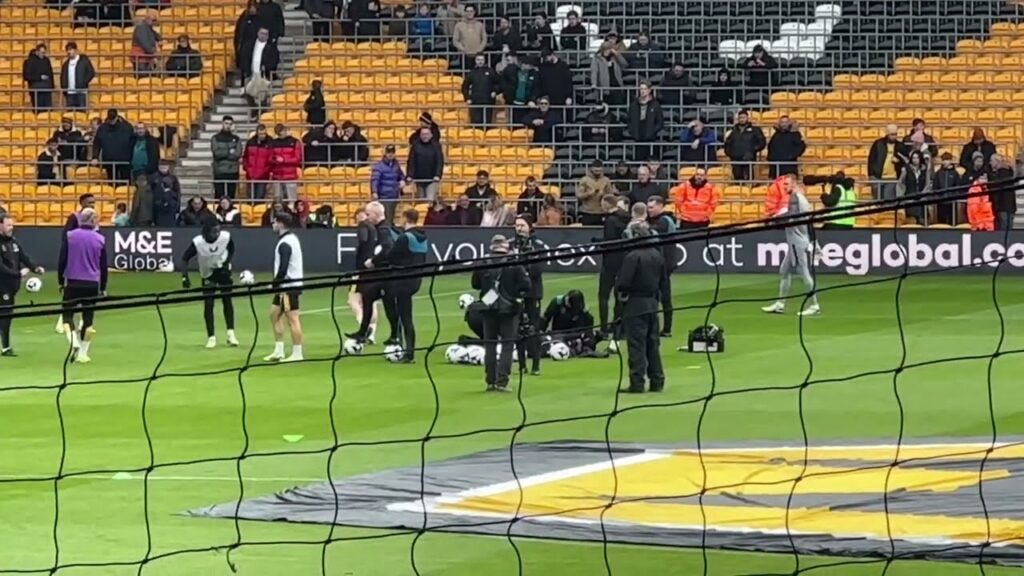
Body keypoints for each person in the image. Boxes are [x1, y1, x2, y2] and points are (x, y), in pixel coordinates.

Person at [470, 234, 530, 391]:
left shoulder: (483, 262)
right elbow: (526, 285)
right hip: (509, 309)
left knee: (489, 345)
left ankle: (490, 381)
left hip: (488, 309)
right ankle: (502, 381)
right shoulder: (514, 262)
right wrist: (515, 295)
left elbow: (475, 284)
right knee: (507, 345)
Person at [615, 221, 665, 393]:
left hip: (636, 303)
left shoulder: (632, 256)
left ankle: (637, 382)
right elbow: (663, 282)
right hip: (652, 302)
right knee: (653, 343)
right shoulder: (657, 255)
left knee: (636, 344)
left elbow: (624, 283)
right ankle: (657, 380)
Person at [762, 181, 820, 316]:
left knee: (804, 273)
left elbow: (791, 215)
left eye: (786, 185)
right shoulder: (804, 201)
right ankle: (780, 304)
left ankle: (814, 304)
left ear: (794, 185)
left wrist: (775, 218)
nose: (784, 187)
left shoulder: (795, 197)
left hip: (797, 242)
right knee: (784, 271)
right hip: (798, 241)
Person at [57, 208, 108, 363]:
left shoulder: (70, 236)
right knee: (88, 318)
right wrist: (103, 287)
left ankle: (73, 342)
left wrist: (60, 281)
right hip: (92, 283)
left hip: (73, 281)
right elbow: (103, 266)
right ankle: (83, 354)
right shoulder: (100, 239)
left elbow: (62, 259)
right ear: (93, 221)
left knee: (67, 315)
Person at [379, 208, 429, 363]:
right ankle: (404, 346)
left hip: (402, 280)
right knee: (404, 314)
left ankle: (408, 352)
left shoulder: (405, 238)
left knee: (404, 316)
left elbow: (391, 256)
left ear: (406, 218)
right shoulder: (423, 237)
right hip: (415, 280)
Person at [181, 220, 238, 348]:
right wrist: (185, 276)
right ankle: (211, 337)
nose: (217, 234)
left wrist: (226, 263)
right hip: (207, 273)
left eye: (218, 231)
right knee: (208, 304)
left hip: (222, 272)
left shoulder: (225, 237)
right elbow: (185, 258)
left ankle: (231, 334)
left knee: (227, 300)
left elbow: (232, 249)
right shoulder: (198, 242)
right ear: (207, 232)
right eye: (214, 231)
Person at [346, 202, 396, 343]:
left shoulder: (383, 230)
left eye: (368, 214)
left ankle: (394, 335)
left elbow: (387, 248)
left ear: (375, 214)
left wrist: (373, 261)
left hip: (383, 273)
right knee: (369, 298)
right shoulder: (382, 228)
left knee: (388, 305)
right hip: (383, 273)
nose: (367, 218)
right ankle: (365, 332)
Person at [0, 214, 45, 357]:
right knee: (5, 316)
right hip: (2, 286)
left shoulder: (13, 242)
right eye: (8, 225)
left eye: (12, 225)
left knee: (7, 315)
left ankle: (5, 346)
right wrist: (18, 274)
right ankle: (6, 348)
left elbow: (24, 257)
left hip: (12, 286)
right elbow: (1, 268)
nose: (11, 227)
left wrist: (35, 268)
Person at [263, 212, 305, 362]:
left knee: (292, 319)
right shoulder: (292, 239)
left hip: (288, 286)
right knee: (274, 314)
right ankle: (279, 350)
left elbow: (283, 267)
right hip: (285, 286)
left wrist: (274, 284)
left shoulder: (285, 243)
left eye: (274, 222)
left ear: (280, 223)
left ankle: (297, 353)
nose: (273, 225)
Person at [511, 215, 544, 375]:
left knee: (533, 329)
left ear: (530, 226)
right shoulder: (511, 245)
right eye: (517, 225)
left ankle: (536, 365)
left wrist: (523, 269)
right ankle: (522, 365)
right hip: (516, 293)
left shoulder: (538, 245)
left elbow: (537, 270)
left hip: (533, 293)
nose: (519, 228)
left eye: (522, 225)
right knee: (518, 330)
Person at [597, 194, 629, 339]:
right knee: (620, 295)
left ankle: (604, 328)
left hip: (610, 261)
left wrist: (600, 243)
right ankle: (619, 327)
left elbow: (609, 241)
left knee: (603, 295)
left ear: (606, 204)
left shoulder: (610, 220)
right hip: (624, 259)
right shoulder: (626, 217)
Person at [646, 196, 676, 337]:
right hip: (665, 262)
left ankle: (662, 327)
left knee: (661, 296)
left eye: (651, 207)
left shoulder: (664, 221)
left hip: (664, 263)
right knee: (664, 296)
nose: (649, 210)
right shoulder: (664, 219)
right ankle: (666, 328)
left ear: (660, 206)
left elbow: (655, 232)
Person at [540, 290, 602, 358]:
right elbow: (545, 318)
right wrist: (540, 331)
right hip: (558, 333)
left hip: (575, 334)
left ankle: (585, 347)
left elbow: (588, 326)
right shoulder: (557, 302)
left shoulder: (584, 312)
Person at [348, 207, 379, 342]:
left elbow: (363, 240)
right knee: (371, 301)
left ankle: (364, 327)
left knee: (352, 300)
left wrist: (358, 250)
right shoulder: (373, 227)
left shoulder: (363, 226)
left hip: (362, 269)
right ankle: (372, 335)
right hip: (373, 267)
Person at [239, 27, 280, 117]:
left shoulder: (271, 47)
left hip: (263, 74)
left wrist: (268, 69)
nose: (263, 35)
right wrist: (246, 70)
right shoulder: (250, 44)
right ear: (258, 33)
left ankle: (263, 113)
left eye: (265, 34)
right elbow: (244, 57)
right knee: (248, 92)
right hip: (251, 73)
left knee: (263, 94)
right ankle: (254, 109)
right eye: (262, 33)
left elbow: (275, 59)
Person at [867, 124, 907, 201]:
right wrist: (871, 175)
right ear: (887, 133)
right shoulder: (878, 144)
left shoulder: (900, 146)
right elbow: (871, 159)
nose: (894, 137)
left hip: (892, 178)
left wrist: (898, 162)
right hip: (877, 177)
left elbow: (906, 161)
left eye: (895, 134)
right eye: (892, 134)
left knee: (888, 203)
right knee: (877, 202)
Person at [92, 109, 134, 183]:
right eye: (110, 119)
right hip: (109, 161)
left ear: (117, 117)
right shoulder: (102, 128)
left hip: (124, 161)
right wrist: (95, 156)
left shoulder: (127, 127)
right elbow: (97, 143)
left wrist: (132, 157)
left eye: (113, 119)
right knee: (112, 183)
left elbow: (133, 142)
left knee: (126, 183)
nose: (112, 122)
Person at [724, 110, 766, 182]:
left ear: (747, 118)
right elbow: (727, 143)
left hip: (748, 158)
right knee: (737, 178)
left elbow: (762, 142)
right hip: (735, 159)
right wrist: (729, 153)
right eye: (740, 118)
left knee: (748, 179)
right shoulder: (734, 131)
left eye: (744, 117)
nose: (742, 119)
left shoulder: (755, 130)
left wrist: (752, 150)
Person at [626, 81, 663, 162]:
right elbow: (629, 120)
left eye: (645, 89)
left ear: (649, 90)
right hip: (637, 136)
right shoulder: (633, 105)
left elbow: (660, 122)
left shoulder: (655, 105)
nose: (642, 91)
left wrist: (653, 131)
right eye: (641, 89)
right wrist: (632, 131)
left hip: (650, 138)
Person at [406, 127, 444, 199]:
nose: (425, 136)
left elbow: (439, 161)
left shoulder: (436, 146)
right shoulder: (415, 145)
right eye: (423, 134)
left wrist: (437, 175)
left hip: (432, 179)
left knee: (430, 200)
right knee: (421, 201)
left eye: (426, 134)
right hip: (419, 179)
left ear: (431, 135)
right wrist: (410, 175)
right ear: (420, 135)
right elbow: (411, 161)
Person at [462, 53, 498, 127]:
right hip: (475, 102)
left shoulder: (491, 71)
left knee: (487, 123)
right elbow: (464, 87)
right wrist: (467, 98)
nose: (480, 61)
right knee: (476, 123)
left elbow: (498, 83)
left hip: (488, 101)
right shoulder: (472, 73)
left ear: (485, 60)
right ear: (475, 61)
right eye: (478, 60)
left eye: (482, 60)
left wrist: (495, 91)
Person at [370, 144, 404, 222]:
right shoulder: (379, 166)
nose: (391, 154)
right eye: (389, 152)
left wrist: (402, 180)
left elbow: (401, 175)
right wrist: (374, 191)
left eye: (392, 152)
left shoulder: (396, 165)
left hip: (394, 196)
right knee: (386, 218)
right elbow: (375, 179)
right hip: (384, 196)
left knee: (391, 217)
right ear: (385, 153)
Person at [211, 116, 242, 199]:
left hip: (232, 172)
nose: (228, 126)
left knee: (231, 197)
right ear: (222, 123)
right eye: (226, 123)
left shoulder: (236, 138)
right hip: (219, 172)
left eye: (230, 124)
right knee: (219, 196)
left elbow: (237, 154)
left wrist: (223, 153)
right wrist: (229, 151)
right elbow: (216, 154)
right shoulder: (215, 138)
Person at [897, 150, 932, 225]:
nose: (915, 160)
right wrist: (902, 197)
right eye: (913, 158)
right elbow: (900, 183)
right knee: (911, 220)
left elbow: (927, 184)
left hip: (921, 199)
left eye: (917, 158)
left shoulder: (924, 170)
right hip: (909, 199)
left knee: (922, 219)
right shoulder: (906, 169)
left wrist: (923, 194)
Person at [766, 115, 806, 179]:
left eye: (786, 122)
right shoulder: (776, 135)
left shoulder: (795, 134)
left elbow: (801, 146)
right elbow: (770, 147)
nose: (784, 124)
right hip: (776, 167)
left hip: (789, 166)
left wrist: (791, 156)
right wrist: (770, 159)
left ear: (789, 123)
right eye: (782, 122)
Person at [269, 124, 302, 201]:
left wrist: (284, 160)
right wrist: (274, 160)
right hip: (277, 176)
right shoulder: (273, 143)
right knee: (278, 201)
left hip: (290, 177)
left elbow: (297, 159)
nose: (282, 133)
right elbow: (270, 158)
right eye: (280, 133)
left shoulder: (295, 142)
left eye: (283, 131)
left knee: (292, 201)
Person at [577, 160, 615, 226]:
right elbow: (579, 195)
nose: (597, 173)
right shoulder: (584, 180)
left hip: (602, 212)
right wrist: (588, 194)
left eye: (599, 171)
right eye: (596, 171)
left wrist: (603, 195)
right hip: (587, 212)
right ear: (591, 169)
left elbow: (611, 196)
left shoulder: (606, 180)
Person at [60, 42, 96, 110]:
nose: (69, 52)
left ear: (76, 50)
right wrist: (64, 87)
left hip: (81, 92)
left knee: (81, 113)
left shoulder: (84, 61)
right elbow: (62, 77)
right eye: (67, 50)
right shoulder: (65, 64)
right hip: (70, 93)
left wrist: (83, 82)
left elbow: (91, 72)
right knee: (70, 114)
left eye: (70, 49)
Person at [590, 41, 627, 105]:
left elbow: (624, 64)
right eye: (606, 49)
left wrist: (617, 54)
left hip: (616, 86)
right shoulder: (597, 58)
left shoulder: (614, 57)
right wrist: (594, 83)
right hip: (604, 88)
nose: (607, 51)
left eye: (609, 49)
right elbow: (594, 71)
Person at [243, 123, 274, 198]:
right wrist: (247, 168)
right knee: (250, 198)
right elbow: (245, 157)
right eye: (260, 134)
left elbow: (271, 159)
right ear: (257, 133)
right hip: (250, 175)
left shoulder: (270, 142)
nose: (262, 135)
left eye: (263, 133)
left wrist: (266, 170)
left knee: (259, 198)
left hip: (263, 176)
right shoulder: (250, 142)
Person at [452, 5, 486, 71]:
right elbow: (455, 40)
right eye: (467, 11)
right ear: (465, 12)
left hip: (477, 55)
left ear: (474, 12)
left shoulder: (480, 25)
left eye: (471, 11)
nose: (469, 13)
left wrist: (480, 49)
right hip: (465, 55)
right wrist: (463, 49)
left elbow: (484, 39)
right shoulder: (459, 25)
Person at [934, 152, 964, 226]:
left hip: (952, 202)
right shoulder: (938, 173)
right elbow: (935, 187)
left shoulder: (955, 173)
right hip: (941, 202)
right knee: (941, 223)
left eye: (947, 160)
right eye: (943, 160)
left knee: (952, 222)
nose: (945, 162)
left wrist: (954, 196)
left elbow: (957, 187)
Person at [23, 43, 54, 112]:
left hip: (47, 89)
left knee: (48, 111)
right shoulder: (29, 61)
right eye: (42, 52)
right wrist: (40, 77)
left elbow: (50, 73)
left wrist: (52, 86)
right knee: (39, 111)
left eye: (44, 53)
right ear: (37, 52)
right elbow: (26, 76)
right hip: (36, 90)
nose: (43, 54)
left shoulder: (46, 60)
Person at [150, 160, 181, 227]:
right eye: (161, 167)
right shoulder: (154, 177)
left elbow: (177, 193)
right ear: (158, 167)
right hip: (157, 206)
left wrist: (177, 207)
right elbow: (150, 192)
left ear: (168, 167)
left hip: (170, 206)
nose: (163, 169)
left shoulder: (173, 178)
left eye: (165, 167)